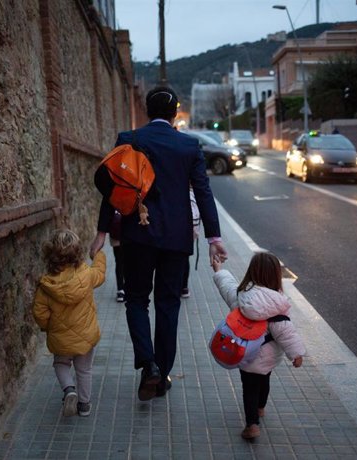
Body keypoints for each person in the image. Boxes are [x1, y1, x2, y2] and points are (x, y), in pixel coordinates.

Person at [89, 86, 228, 401]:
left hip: (138, 233)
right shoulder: (189, 146)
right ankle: (161, 374)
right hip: (177, 238)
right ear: (175, 113)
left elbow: (114, 187)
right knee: (169, 305)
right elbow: (204, 192)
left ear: (148, 112)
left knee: (137, 300)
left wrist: (101, 231)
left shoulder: (130, 139)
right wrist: (213, 238)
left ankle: (148, 365)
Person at [211, 251, 306, 440]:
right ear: (275, 276)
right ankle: (261, 408)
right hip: (267, 358)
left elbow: (227, 286)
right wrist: (296, 354)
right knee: (264, 381)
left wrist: (219, 270)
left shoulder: (241, 297)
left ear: (251, 272)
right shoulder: (277, 305)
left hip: (244, 353)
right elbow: (286, 332)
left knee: (249, 388)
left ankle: (252, 424)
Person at [32, 229, 106, 417]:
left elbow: (39, 313)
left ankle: (68, 389)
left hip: (61, 337)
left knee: (61, 364)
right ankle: (84, 405)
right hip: (85, 335)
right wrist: (99, 255)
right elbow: (100, 273)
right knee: (84, 369)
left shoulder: (47, 286)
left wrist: (48, 327)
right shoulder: (87, 275)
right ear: (77, 253)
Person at [181, 187, 201, 298]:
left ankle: (178, 284)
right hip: (192, 230)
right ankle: (184, 287)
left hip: (178, 229)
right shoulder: (193, 193)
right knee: (185, 258)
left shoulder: (178, 191)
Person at [109, 210, 125, 302]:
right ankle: (122, 288)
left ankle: (121, 290)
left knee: (119, 262)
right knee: (122, 261)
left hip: (116, 231)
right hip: (119, 232)